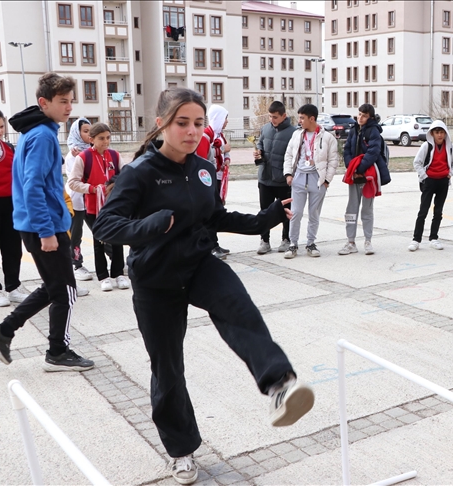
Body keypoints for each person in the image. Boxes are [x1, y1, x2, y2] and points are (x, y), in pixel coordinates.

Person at [92, 88, 314, 485]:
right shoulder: (139, 172)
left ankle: (280, 385)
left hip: (198, 263)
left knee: (240, 309)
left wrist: (265, 219)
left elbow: (214, 216)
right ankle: (181, 452)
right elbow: (106, 226)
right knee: (168, 370)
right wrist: (153, 224)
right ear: (160, 123)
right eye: (182, 123)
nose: (192, 131)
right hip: (155, 280)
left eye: (198, 123)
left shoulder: (202, 167)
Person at [0, 73, 95, 372]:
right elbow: (32, 185)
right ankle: (57, 352)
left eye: (71, 101)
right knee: (66, 291)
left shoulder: (35, 131)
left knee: (53, 287)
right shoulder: (43, 136)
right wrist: (47, 232)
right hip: (43, 226)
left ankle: (3, 331)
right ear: (43, 103)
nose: (69, 108)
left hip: (38, 222)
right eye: (62, 102)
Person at [67, 122, 129, 292]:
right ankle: (103, 276)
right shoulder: (84, 158)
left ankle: (118, 273)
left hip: (114, 206)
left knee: (117, 239)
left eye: (108, 138)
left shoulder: (115, 156)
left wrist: (115, 186)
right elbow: (72, 182)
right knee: (99, 241)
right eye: (101, 138)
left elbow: (125, 176)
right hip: (93, 207)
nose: (106, 142)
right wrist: (92, 189)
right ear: (91, 139)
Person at [282, 103, 339, 259]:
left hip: (317, 179)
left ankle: (311, 243)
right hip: (299, 178)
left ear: (312, 119)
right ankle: (293, 244)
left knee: (314, 213)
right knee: (296, 213)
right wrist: (288, 174)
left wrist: (326, 181)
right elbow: (288, 155)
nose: (299, 121)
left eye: (302, 118)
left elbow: (333, 160)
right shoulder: (297, 135)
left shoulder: (327, 137)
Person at [0, 108, 27, 307]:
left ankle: (13, 286)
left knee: (12, 246)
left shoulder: (10, 148)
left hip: (11, 202)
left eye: (1, 126)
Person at [339, 104, 384, 256]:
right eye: (359, 114)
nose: (360, 118)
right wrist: (351, 167)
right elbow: (346, 151)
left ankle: (368, 241)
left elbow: (373, 152)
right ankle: (350, 242)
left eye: (364, 115)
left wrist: (360, 169)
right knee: (351, 208)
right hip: (354, 176)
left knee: (367, 209)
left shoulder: (374, 132)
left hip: (368, 176)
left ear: (370, 117)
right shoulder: (353, 130)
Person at [408, 120, 453, 251]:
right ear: (432, 133)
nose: (440, 135)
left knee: (438, 212)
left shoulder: (450, 147)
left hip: (443, 182)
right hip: (429, 182)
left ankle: (434, 238)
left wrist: (450, 174)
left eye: (442, 132)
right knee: (423, 211)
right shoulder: (426, 146)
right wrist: (424, 176)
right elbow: (417, 163)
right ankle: (416, 239)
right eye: (437, 132)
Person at [254, 101, 294, 254]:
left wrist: (289, 174)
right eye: (270, 116)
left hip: (283, 180)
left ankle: (286, 239)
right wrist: (259, 154)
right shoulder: (265, 129)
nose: (272, 120)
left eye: (275, 117)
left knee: (286, 211)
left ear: (284, 116)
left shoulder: (293, 132)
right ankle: (264, 241)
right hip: (265, 178)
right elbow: (260, 145)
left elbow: (294, 157)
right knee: (265, 211)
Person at [195, 104, 231, 259]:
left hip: (216, 178)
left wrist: (226, 157)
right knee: (210, 212)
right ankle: (210, 246)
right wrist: (221, 150)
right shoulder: (205, 135)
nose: (226, 122)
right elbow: (203, 158)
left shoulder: (217, 135)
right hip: (208, 181)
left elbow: (224, 150)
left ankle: (214, 243)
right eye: (224, 119)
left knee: (215, 211)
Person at [64, 117, 94, 281]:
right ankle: (77, 265)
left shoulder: (93, 151)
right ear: (77, 132)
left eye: (91, 131)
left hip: (92, 198)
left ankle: (114, 259)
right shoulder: (72, 155)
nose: (89, 134)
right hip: (77, 200)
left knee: (101, 229)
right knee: (76, 234)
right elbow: (79, 177)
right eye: (85, 131)